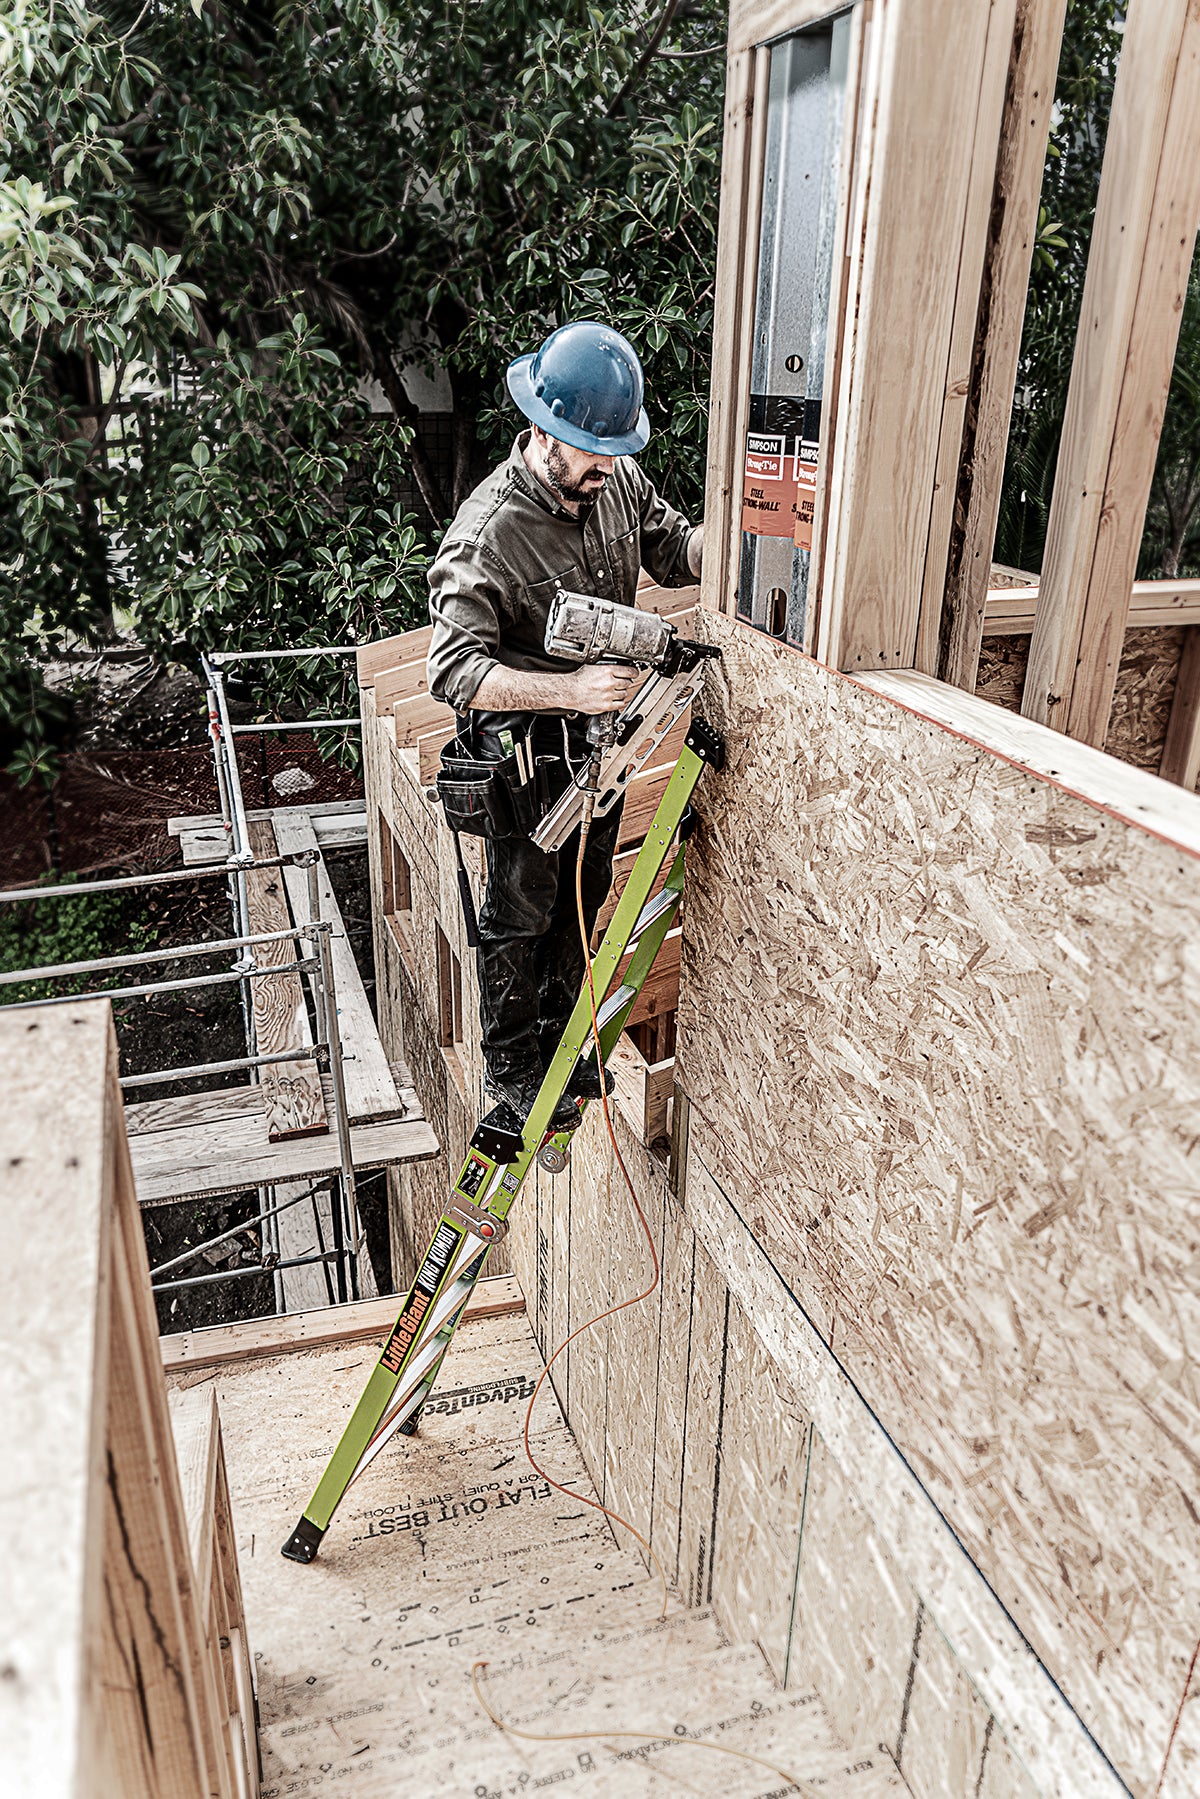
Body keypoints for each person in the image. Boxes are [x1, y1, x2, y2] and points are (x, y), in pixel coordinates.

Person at [426, 321, 703, 1120]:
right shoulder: (486, 538)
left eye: (615, 450)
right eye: (591, 451)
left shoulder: (614, 480)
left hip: (601, 748)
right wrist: (570, 690)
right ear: (546, 432)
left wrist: (746, 545)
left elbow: (673, 545)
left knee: (583, 889)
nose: (606, 468)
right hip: (526, 758)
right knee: (520, 907)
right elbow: (452, 671)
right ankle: (512, 1067)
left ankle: (560, 1044)